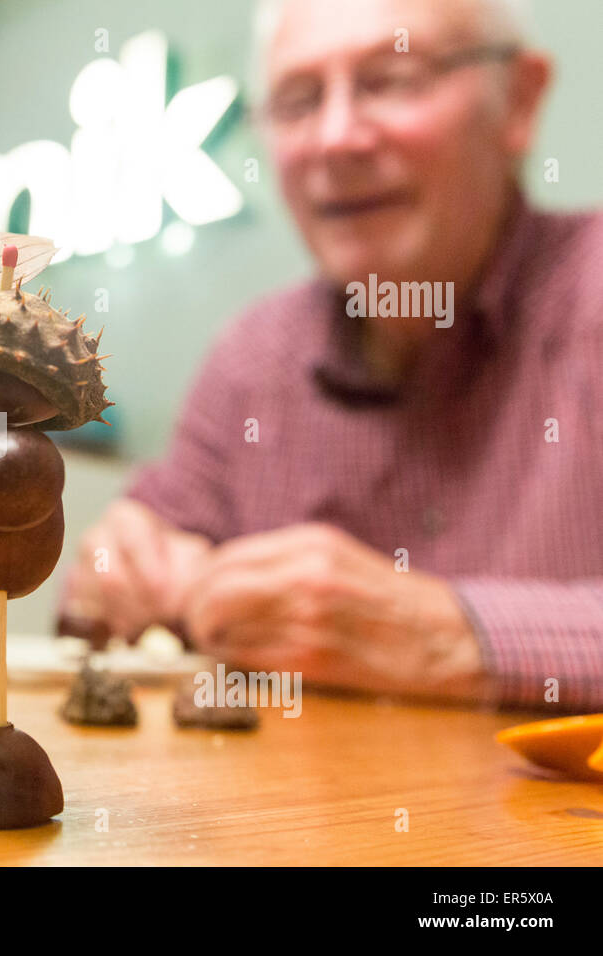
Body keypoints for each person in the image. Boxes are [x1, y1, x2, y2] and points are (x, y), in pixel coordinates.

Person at [59, 0, 603, 711]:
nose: (336, 138)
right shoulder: (251, 361)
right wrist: (122, 569)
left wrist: (443, 635)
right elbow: (112, 577)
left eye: (391, 80)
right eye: (298, 100)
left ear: (519, 101)